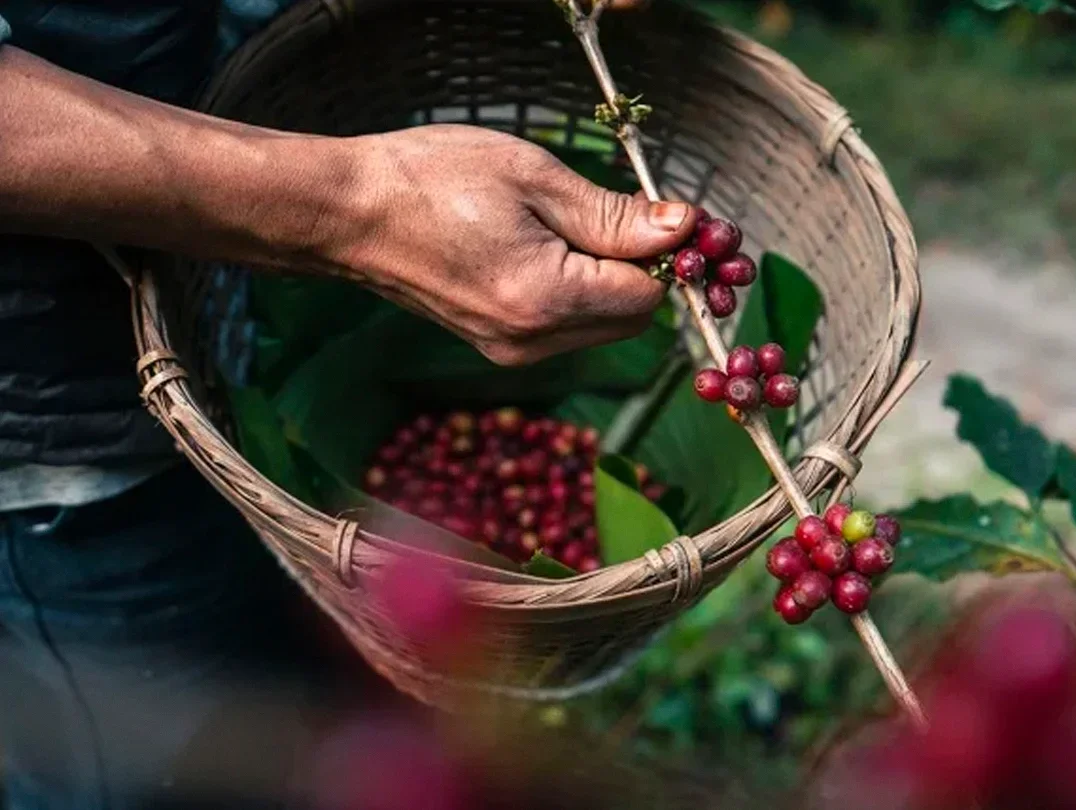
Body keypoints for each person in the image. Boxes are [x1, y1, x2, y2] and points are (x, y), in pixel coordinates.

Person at [0, 1, 687, 807]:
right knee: (160, 773)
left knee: (329, 723)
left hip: (241, 322)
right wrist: (357, 206)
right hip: (69, 447)